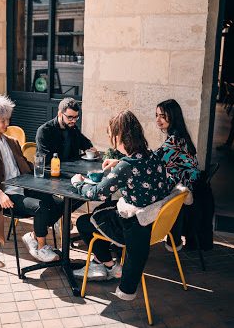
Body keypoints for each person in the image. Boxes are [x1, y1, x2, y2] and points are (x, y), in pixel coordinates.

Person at [71, 110, 169, 300]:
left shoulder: (126, 166)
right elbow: (139, 168)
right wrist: (119, 163)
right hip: (150, 224)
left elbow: (96, 193)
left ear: (119, 136)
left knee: (84, 222)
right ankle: (102, 261)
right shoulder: (152, 156)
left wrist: (78, 182)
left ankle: (109, 265)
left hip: (131, 225)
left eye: (111, 135)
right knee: (101, 213)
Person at [0, 95, 63, 263]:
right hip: (5, 194)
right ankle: (41, 247)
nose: (7, 124)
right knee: (41, 208)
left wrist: (47, 175)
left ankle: (32, 235)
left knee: (59, 203)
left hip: (24, 187)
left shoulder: (12, 141)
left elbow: (25, 165)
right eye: (2, 121)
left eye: (8, 120)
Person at [155, 99, 200, 250]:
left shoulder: (175, 140)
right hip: (190, 187)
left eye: (162, 116)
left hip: (185, 191)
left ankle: (151, 233)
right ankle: (172, 237)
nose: (158, 120)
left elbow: (153, 159)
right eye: (156, 115)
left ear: (172, 116)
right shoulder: (179, 135)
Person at [36, 97, 96, 164]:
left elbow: (86, 144)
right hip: (52, 170)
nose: (73, 121)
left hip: (73, 168)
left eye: (76, 117)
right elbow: (46, 160)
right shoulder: (44, 131)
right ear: (60, 114)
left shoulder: (73, 128)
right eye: (70, 117)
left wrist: (91, 150)